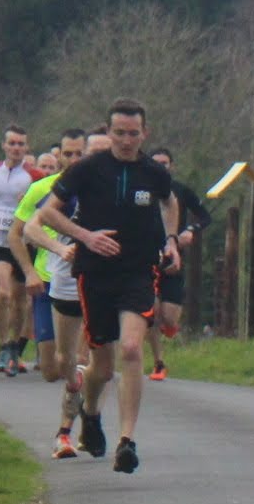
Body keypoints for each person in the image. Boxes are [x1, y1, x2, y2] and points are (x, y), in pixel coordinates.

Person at [37, 101, 177, 474]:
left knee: (130, 348)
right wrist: (86, 236)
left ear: (144, 134)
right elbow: (47, 213)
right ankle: (91, 412)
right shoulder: (87, 169)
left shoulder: (153, 172)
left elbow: (171, 202)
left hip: (138, 271)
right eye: (119, 133)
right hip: (96, 273)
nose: (126, 140)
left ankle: (126, 441)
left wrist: (171, 240)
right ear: (109, 132)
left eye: (133, 133)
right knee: (100, 366)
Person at [13, 128, 89, 452]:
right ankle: (78, 398)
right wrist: (30, 272)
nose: (73, 160)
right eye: (67, 154)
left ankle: (77, 428)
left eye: (79, 154)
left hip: (92, 283)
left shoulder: (100, 186)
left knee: (85, 359)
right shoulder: (42, 190)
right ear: (58, 156)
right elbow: (18, 233)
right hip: (50, 281)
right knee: (52, 367)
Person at [142, 146, 209, 381]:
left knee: (169, 318)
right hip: (146, 258)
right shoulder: (141, 190)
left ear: (171, 166)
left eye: (164, 163)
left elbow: (204, 215)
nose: (160, 167)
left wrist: (190, 230)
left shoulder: (180, 190)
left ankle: (168, 326)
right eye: (156, 162)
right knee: (151, 312)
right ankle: (158, 362)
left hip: (173, 257)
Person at [0, 125, 37, 374]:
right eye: (12, 143)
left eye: (20, 144)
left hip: (23, 245)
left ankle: (15, 346)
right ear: (4, 145)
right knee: (3, 293)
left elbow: (46, 206)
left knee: (21, 299)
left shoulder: (34, 175)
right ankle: (3, 345)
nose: (16, 148)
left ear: (26, 147)